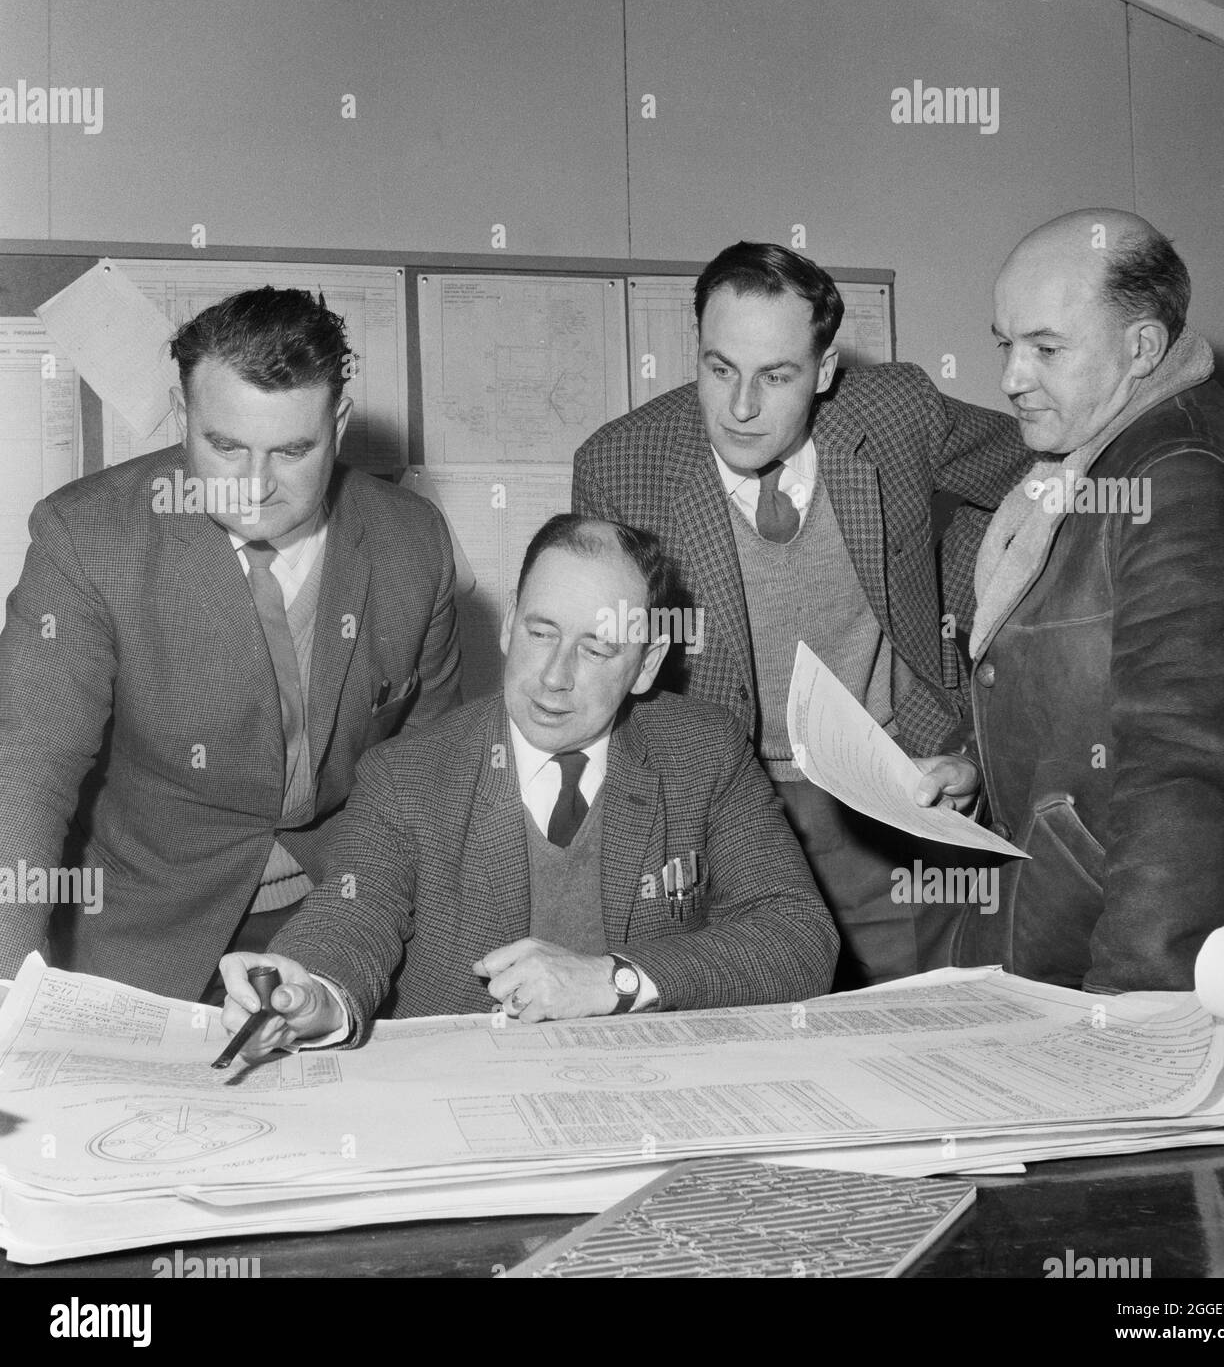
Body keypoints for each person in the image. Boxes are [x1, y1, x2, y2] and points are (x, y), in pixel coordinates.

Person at [572, 241, 1033, 986]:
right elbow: (610, 680)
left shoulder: (896, 414)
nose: (741, 407)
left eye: (775, 376)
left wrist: (961, 586)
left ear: (823, 372)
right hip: (722, 801)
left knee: (906, 1029)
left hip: (888, 790)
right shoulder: (621, 466)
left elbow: (1036, 465)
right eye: (719, 369)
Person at [217, 516, 838, 1049]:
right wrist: (311, 990)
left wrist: (615, 980)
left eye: (596, 650)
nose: (553, 677)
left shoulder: (701, 751)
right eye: (541, 633)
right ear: (510, 622)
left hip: (650, 1084)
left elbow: (801, 936)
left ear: (646, 665)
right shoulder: (406, 775)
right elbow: (354, 914)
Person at [0, 287, 461, 1000]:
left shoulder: (412, 542)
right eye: (225, 446)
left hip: (343, 921)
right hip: (144, 928)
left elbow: (434, 775)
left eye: (292, 451)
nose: (254, 487)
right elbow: (27, 769)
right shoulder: (87, 539)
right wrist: (8, 990)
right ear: (184, 417)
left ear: (337, 423)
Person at [928, 208, 1224, 992]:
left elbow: (1185, 770)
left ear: (1141, 348)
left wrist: (1134, 1011)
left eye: (1046, 349)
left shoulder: (1182, 476)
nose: (1009, 378)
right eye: (1006, 343)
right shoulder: (1098, 456)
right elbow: (1069, 666)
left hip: (1114, 951)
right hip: (1055, 919)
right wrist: (976, 759)